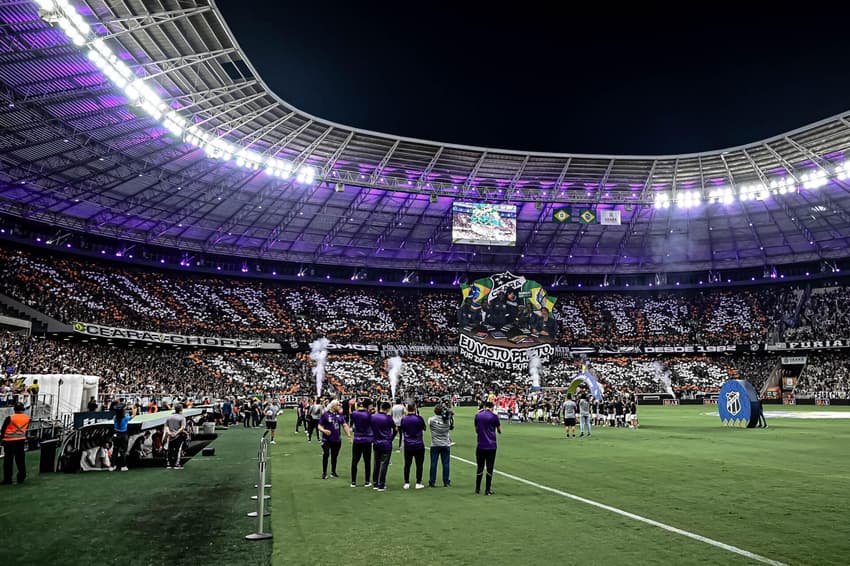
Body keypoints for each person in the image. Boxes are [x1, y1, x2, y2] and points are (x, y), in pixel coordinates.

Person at [474, 400, 501, 495]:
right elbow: (499, 430)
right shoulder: (494, 416)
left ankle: (477, 489)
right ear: (492, 407)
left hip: (481, 444)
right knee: (489, 467)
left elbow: (476, 430)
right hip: (491, 445)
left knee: (480, 467)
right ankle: (487, 490)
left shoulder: (478, 415)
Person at [318, 400, 350, 479]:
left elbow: (344, 425)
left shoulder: (339, 415)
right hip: (327, 439)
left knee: (334, 456)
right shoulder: (325, 415)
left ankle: (333, 471)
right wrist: (324, 430)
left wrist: (349, 435)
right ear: (333, 406)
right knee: (326, 454)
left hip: (337, 439)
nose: (339, 406)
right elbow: (319, 426)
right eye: (338, 405)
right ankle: (324, 472)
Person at [400, 403, 427, 490]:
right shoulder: (419, 418)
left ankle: (406, 482)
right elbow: (424, 428)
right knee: (419, 464)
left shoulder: (404, 419)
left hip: (408, 444)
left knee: (407, 464)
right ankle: (418, 482)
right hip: (418, 444)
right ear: (415, 409)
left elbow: (403, 429)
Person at [2, 402, 30, 485]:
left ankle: (8, 479)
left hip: (8, 441)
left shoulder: (10, 418)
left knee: (8, 461)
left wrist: (2, 439)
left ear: (14, 409)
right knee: (20, 460)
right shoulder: (27, 418)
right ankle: (21, 477)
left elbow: (3, 429)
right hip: (20, 440)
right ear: (23, 409)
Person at [370, 401, 395, 491]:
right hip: (386, 443)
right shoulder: (388, 418)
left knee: (376, 463)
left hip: (376, 441)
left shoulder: (373, 417)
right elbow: (395, 428)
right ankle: (381, 484)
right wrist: (391, 438)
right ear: (388, 409)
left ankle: (375, 483)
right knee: (384, 464)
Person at [349, 398, 373, 487]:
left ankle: (353, 481)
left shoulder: (355, 414)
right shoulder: (369, 415)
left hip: (357, 439)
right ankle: (367, 481)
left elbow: (352, 411)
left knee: (355, 460)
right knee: (367, 461)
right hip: (367, 439)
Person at [428, 403, 453, 488]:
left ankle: (432, 481)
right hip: (445, 443)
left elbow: (430, 425)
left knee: (433, 463)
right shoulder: (447, 421)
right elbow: (450, 425)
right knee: (446, 463)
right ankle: (446, 481)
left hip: (435, 444)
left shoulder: (431, 420)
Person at [165, 403, 187, 469]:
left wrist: (169, 433)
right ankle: (176, 464)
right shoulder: (182, 418)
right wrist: (176, 433)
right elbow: (182, 427)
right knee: (178, 450)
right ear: (181, 409)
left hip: (170, 436)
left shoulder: (169, 417)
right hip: (178, 436)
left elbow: (166, 426)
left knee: (170, 450)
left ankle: (169, 464)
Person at [112, 404, 131, 471]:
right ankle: (123, 466)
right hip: (123, 435)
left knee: (115, 451)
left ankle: (113, 466)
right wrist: (135, 410)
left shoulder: (114, 417)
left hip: (116, 435)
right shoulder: (126, 418)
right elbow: (133, 416)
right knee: (123, 451)